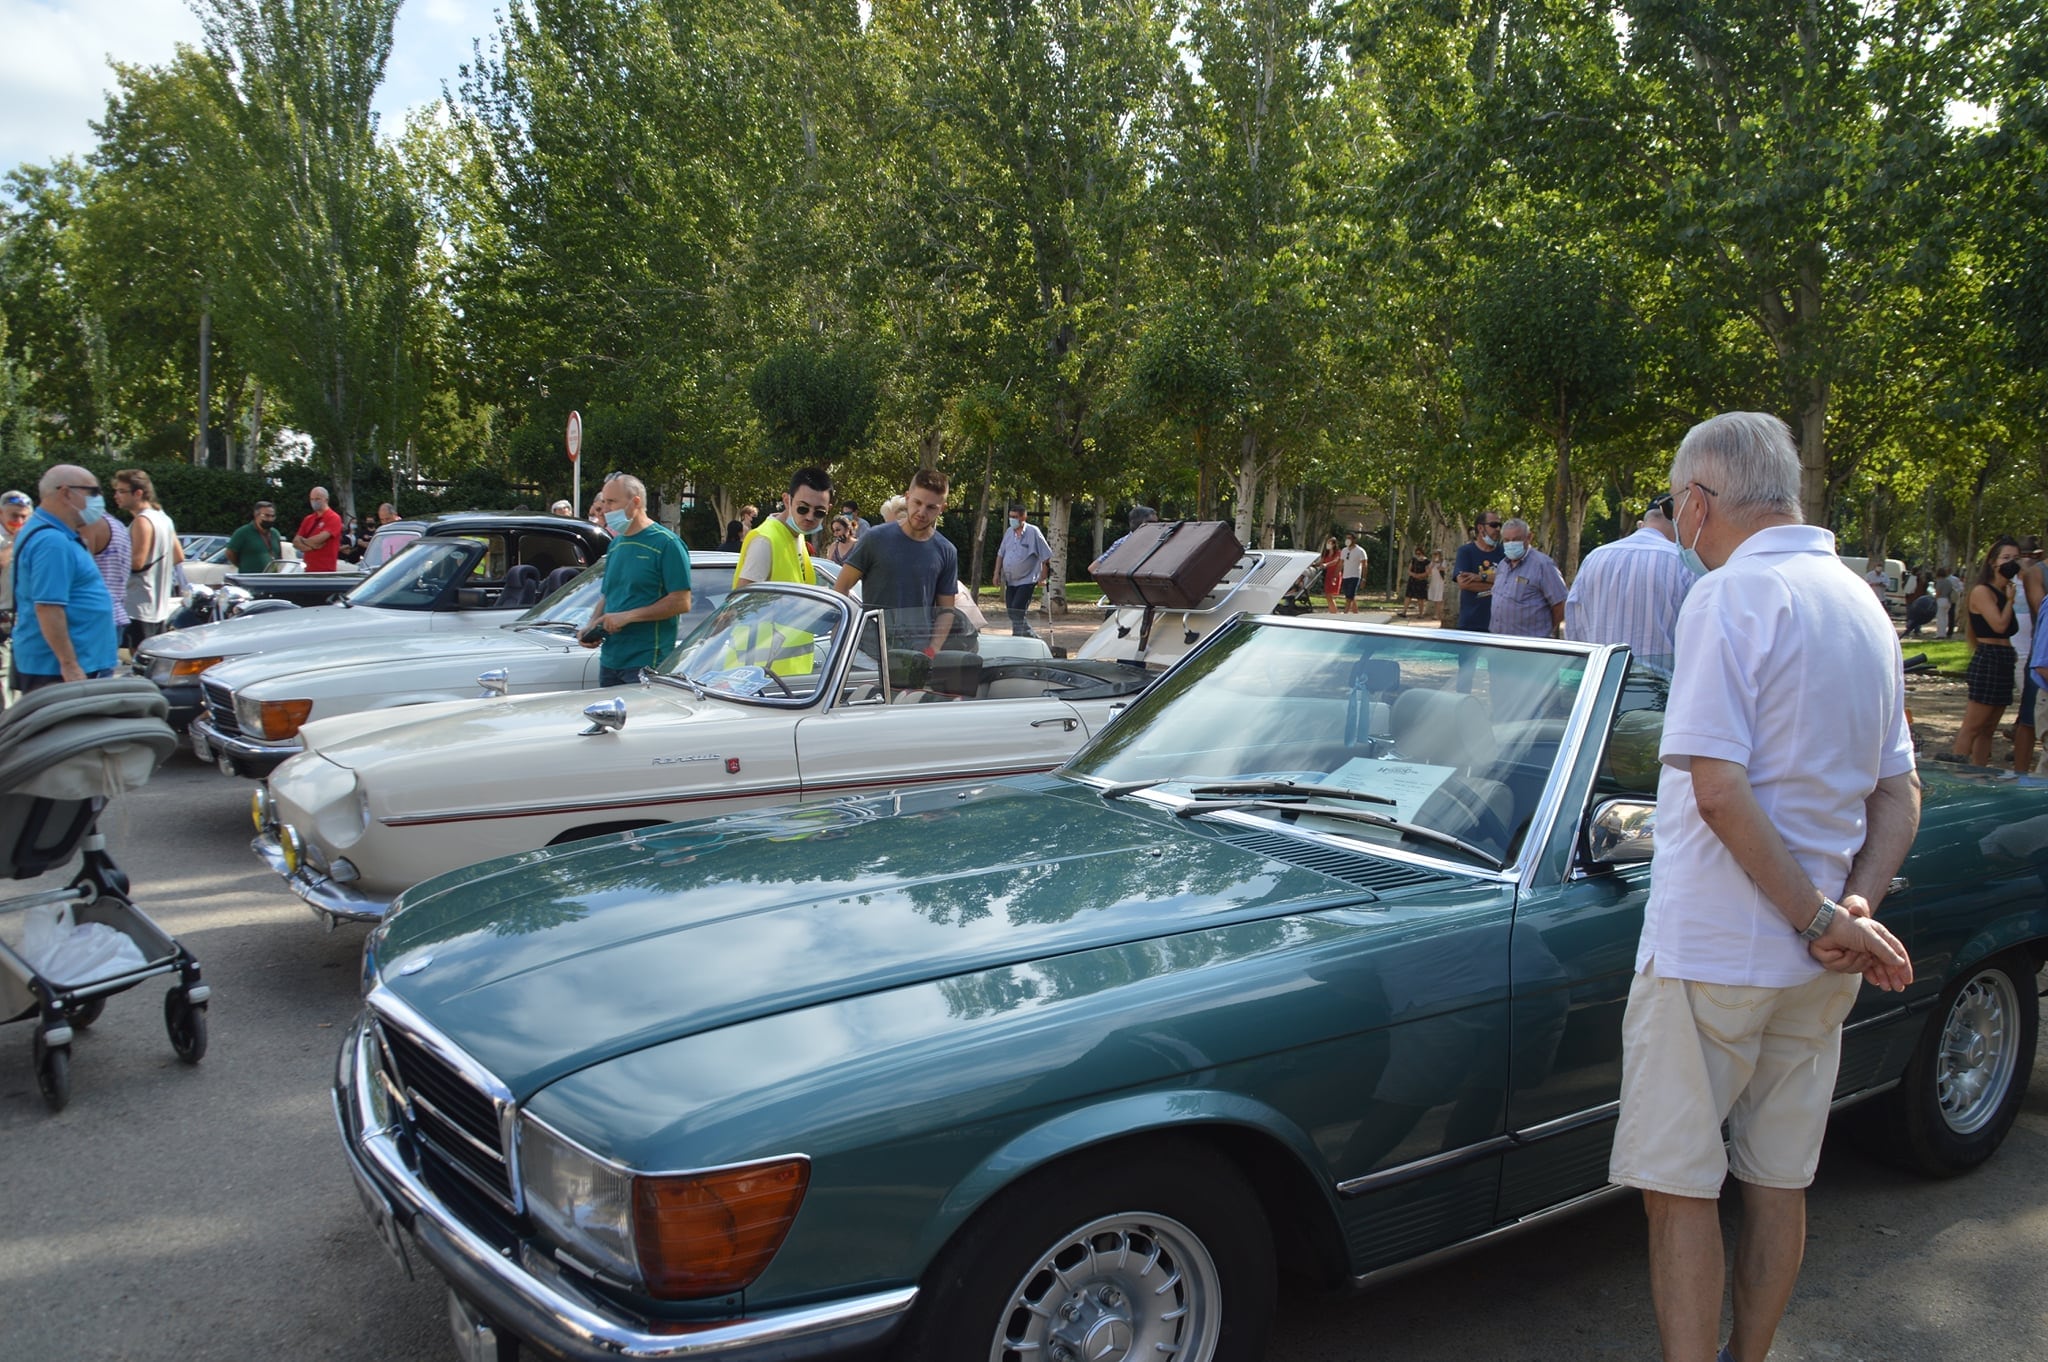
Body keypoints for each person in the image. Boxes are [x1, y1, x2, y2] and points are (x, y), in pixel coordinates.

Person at [1609, 411, 1917, 1362]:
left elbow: (1714, 785)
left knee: (1682, 1190)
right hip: (1819, 962)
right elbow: (1898, 791)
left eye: (1675, 505)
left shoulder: (1731, 596)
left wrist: (1825, 914)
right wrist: (1852, 910)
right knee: (1781, 1182)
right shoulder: (1862, 602)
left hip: (1712, 951)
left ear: (1697, 503)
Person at [10, 466, 120, 691]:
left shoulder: (54, 535)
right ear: (66, 493)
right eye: (93, 492)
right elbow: (48, 607)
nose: (98, 500)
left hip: (69, 664)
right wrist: (69, 664)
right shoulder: (52, 542)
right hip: (60, 670)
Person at [581, 473, 693, 687]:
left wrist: (628, 617)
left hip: (647, 662)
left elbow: (681, 601)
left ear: (636, 502)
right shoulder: (616, 544)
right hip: (610, 659)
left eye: (612, 502)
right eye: (603, 502)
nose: (605, 509)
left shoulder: (667, 544)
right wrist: (591, 626)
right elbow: (608, 594)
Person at [834, 469, 959, 656]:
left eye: (931, 507)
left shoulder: (946, 551)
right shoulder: (875, 538)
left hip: (916, 656)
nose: (922, 512)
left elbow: (946, 611)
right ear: (907, 497)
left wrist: (932, 650)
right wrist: (843, 639)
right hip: (868, 651)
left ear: (942, 508)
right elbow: (840, 590)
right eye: (917, 502)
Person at [1563, 495, 1697, 664]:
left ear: (1645, 520)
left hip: (1600, 682)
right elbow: (1696, 635)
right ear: (1679, 520)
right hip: (1658, 685)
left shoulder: (1595, 557)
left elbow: (1574, 622)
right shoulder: (1682, 562)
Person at [1947, 537, 2021, 766]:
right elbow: (1998, 625)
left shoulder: (2005, 590)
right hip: (1989, 658)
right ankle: (1957, 771)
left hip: (2005, 659)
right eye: (2006, 558)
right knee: (1973, 726)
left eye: (2015, 558)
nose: (2012, 563)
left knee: (1989, 728)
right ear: (1992, 562)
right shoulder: (1982, 591)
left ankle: (1979, 772)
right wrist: (2010, 602)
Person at [111, 469, 181, 651]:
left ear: (138, 493)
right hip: (158, 605)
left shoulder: (142, 521)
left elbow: (137, 563)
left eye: (121, 491)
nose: (116, 496)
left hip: (138, 605)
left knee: (138, 663)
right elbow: (178, 556)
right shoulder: (164, 518)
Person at [734, 467, 832, 588]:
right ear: (787, 501)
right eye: (803, 508)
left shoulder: (797, 534)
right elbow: (742, 603)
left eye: (819, 512)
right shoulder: (764, 541)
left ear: (829, 509)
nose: (810, 517)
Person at [1488, 518, 1567, 638]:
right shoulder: (1502, 565)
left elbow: (1560, 604)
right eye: (1507, 540)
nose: (1511, 544)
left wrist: (1543, 631)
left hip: (1529, 646)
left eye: (1516, 539)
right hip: (1498, 641)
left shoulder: (1543, 565)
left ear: (1529, 537)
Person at [994, 501, 1054, 637]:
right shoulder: (1009, 532)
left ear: (1023, 518)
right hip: (1010, 580)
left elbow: (1046, 557)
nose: (1011, 520)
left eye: (1014, 517)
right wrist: (996, 573)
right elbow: (1001, 553)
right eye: (1010, 516)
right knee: (1012, 612)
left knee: (1017, 610)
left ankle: (1018, 639)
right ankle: (1030, 638)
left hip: (1027, 580)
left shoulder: (1033, 532)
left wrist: (1043, 577)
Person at [2014, 539, 2045, 773]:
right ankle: (2020, 772)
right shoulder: (2037, 572)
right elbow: (2038, 604)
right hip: (2041, 653)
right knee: (2028, 718)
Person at [0, 489, 32, 704]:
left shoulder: (33, 535)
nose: (19, 521)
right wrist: (15, 543)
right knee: (2, 671)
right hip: (2, 612)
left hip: (24, 614)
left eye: (24, 516)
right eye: (14, 516)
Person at [1452, 512, 1506, 632]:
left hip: (1501, 625)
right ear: (1480, 527)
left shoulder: (1505, 553)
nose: (1498, 529)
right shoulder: (1466, 552)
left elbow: (1511, 582)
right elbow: (1464, 583)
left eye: (1499, 525)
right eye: (1494, 525)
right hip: (1471, 623)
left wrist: (1481, 577)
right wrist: (1499, 586)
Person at [1089, 505, 1159, 573]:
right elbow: (1094, 568)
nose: (1156, 526)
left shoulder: (1159, 541)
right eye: (1151, 523)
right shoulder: (1122, 543)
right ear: (1139, 523)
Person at [293, 487, 345, 572]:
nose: (314, 502)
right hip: (308, 569)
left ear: (326, 499)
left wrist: (303, 542)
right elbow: (296, 542)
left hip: (325, 570)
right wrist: (311, 547)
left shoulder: (334, 518)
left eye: (317, 499)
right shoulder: (308, 519)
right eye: (312, 499)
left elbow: (319, 540)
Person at [225, 501, 283, 572]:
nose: (270, 519)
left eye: (272, 516)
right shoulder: (243, 532)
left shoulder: (275, 533)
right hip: (250, 579)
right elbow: (230, 553)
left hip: (271, 578)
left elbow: (279, 556)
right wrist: (245, 566)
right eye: (266, 516)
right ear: (256, 515)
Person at [1339, 533, 1368, 613]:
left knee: (1350, 596)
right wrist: (1336, 574)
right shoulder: (1344, 550)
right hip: (1346, 576)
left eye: (1349, 538)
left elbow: (1365, 565)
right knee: (1349, 596)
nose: (1347, 540)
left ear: (1354, 540)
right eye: (1346, 538)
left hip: (1355, 576)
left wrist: (1364, 579)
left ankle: (1345, 612)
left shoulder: (1360, 551)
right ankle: (1355, 612)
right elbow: (1341, 563)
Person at [1313, 536, 1341, 612]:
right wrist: (1314, 564)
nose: (1328, 544)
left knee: (1330, 594)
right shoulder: (1326, 553)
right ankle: (1332, 611)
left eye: (1330, 542)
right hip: (1328, 575)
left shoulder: (1338, 552)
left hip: (1334, 575)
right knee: (1327, 595)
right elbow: (1320, 562)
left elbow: (1335, 561)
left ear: (1334, 544)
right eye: (1327, 542)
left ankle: (1334, 612)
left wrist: (1326, 564)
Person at [1933, 564, 1959, 638]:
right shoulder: (1948, 582)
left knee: (1940, 618)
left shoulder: (1939, 582)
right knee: (1945, 618)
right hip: (1948, 600)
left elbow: (1938, 592)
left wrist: (1934, 598)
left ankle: (1940, 634)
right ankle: (1944, 632)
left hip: (1941, 600)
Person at [1403, 546, 1430, 617]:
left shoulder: (1426, 561)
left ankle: (1421, 614)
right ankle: (1404, 612)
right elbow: (1409, 570)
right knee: (1408, 596)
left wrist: (1419, 575)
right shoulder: (1414, 560)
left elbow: (1427, 572)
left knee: (1420, 598)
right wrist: (1413, 575)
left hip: (1421, 581)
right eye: (1417, 553)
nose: (1418, 555)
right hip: (1412, 580)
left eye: (1419, 553)